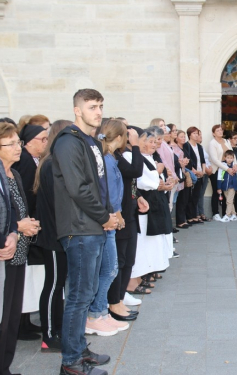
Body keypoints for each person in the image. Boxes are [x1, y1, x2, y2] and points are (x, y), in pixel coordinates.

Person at [52, 89, 118, 375]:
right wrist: (104, 217)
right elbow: (77, 188)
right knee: (79, 296)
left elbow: (98, 185)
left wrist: (108, 214)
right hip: (79, 229)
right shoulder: (68, 142)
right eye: (92, 107)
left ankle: (79, 349)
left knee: (87, 292)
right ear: (77, 110)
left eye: (101, 106)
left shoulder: (89, 141)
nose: (98, 112)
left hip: (92, 225)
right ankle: (70, 362)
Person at [82, 120, 131, 337]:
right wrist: (118, 214)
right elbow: (109, 193)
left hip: (108, 218)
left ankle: (100, 312)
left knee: (108, 268)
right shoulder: (107, 161)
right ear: (119, 138)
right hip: (108, 219)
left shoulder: (108, 158)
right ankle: (95, 314)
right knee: (109, 268)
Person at [0, 121, 38, 375]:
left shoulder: (14, 173)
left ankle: (5, 366)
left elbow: (16, 208)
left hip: (17, 249)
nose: (18, 148)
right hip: (5, 253)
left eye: (18, 142)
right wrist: (16, 227)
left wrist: (19, 229)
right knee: (4, 315)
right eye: (11, 144)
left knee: (11, 315)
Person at [33, 120, 72, 353]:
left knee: (59, 286)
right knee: (53, 285)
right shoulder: (50, 165)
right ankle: (48, 335)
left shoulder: (53, 163)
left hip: (60, 234)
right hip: (53, 236)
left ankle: (56, 330)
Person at [12, 122, 50, 340]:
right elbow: (25, 196)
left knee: (27, 276)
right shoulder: (25, 162)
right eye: (42, 139)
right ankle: (20, 324)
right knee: (23, 276)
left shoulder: (31, 160)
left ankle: (24, 322)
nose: (45, 143)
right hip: (25, 225)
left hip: (30, 224)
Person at [128, 131, 173, 293]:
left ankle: (145, 272)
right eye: (150, 141)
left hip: (153, 201)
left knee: (152, 241)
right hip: (144, 202)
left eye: (155, 141)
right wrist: (158, 174)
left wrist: (163, 180)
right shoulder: (131, 156)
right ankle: (138, 275)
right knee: (143, 242)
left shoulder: (147, 157)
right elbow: (143, 180)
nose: (154, 144)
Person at [108, 125, 148, 312]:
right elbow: (135, 172)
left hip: (129, 212)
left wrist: (138, 195)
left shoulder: (118, 155)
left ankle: (120, 297)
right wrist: (136, 146)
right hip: (120, 215)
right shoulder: (113, 157)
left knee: (129, 259)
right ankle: (115, 300)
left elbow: (130, 181)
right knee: (121, 260)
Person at [208, 125, 235, 221]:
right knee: (217, 191)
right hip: (217, 171)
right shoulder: (212, 143)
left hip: (228, 170)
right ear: (213, 133)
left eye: (221, 130)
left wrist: (234, 165)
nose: (220, 132)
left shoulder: (227, 141)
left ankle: (226, 213)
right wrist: (227, 168)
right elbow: (215, 160)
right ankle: (215, 213)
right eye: (217, 130)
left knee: (226, 191)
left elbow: (232, 155)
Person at [184, 127, 206, 225]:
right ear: (189, 135)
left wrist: (203, 171)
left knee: (196, 196)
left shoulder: (199, 147)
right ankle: (190, 217)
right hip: (192, 174)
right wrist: (195, 172)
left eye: (197, 133)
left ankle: (194, 215)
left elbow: (203, 161)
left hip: (201, 174)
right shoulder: (186, 146)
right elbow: (188, 162)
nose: (196, 135)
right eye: (194, 133)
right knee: (190, 197)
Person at [217, 150, 237, 222]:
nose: (229, 159)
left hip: (233, 186)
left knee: (229, 201)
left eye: (231, 158)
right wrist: (219, 187)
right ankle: (234, 215)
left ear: (233, 158)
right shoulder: (223, 166)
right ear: (225, 158)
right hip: (225, 186)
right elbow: (219, 177)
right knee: (229, 201)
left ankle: (227, 215)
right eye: (228, 157)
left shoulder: (235, 167)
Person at [197, 130, 212, 222]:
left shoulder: (201, 147)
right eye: (199, 135)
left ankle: (201, 213)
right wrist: (206, 169)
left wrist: (209, 168)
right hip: (201, 173)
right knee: (198, 194)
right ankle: (198, 214)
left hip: (206, 173)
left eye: (201, 134)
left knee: (201, 194)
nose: (200, 136)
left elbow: (206, 160)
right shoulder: (195, 147)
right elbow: (199, 161)